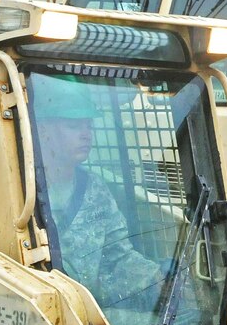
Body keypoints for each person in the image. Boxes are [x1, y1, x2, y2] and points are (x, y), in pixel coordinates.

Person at [31, 74, 161, 306]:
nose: (86, 134)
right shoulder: (16, 193)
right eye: (73, 125)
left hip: (90, 314)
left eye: (88, 125)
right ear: (43, 130)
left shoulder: (94, 190)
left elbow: (118, 256)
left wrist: (158, 280)